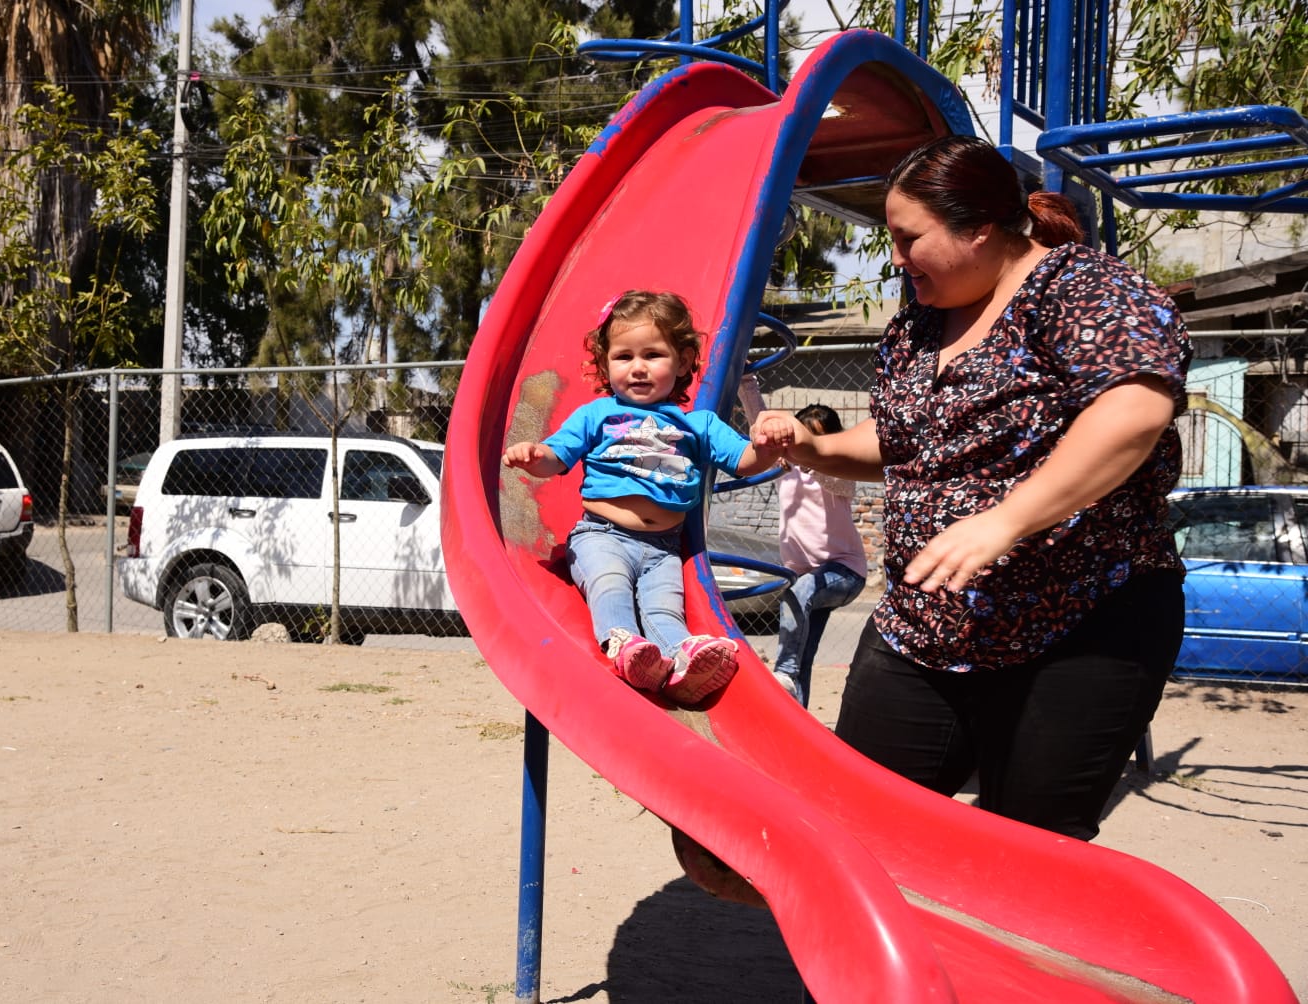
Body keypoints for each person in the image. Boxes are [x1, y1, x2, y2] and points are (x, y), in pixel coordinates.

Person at [751, 135, 1192, 841]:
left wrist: (1007, 520)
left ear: (980, 226)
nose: (895, 259)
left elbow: (1133, 411)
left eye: (908, 238)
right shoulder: (918, 328)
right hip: (926, 628)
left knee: (1026, 851)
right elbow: (904, 441)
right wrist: (818, 448)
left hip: (1080, 624)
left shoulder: (1082, 288)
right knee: (860, 829)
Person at [503, 289, 781, 706]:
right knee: (609, 583)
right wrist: (533, 455)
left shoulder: (699, 424)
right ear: (605, 363)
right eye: (623, 357)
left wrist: (769, 444)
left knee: (665, 609)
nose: (637, 368)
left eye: (652, 355)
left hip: (663, 549)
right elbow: (555, 459)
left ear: (683, 362)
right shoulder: (596, 415)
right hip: (601, 536)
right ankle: (625, 644)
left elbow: (744, 460)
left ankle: (680, 658)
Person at [772, 404, 867, 706]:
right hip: (807, 578)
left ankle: (782, 669)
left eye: (818, 440)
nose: (808, 446)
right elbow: (758, 418)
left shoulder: (840, 473)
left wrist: (810, 458)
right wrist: (746, 380)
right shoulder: (784, 471)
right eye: (803, 438)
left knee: (797, 594)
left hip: (844, 572)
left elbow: (832, 478)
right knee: (804, 655)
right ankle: (796, 725)